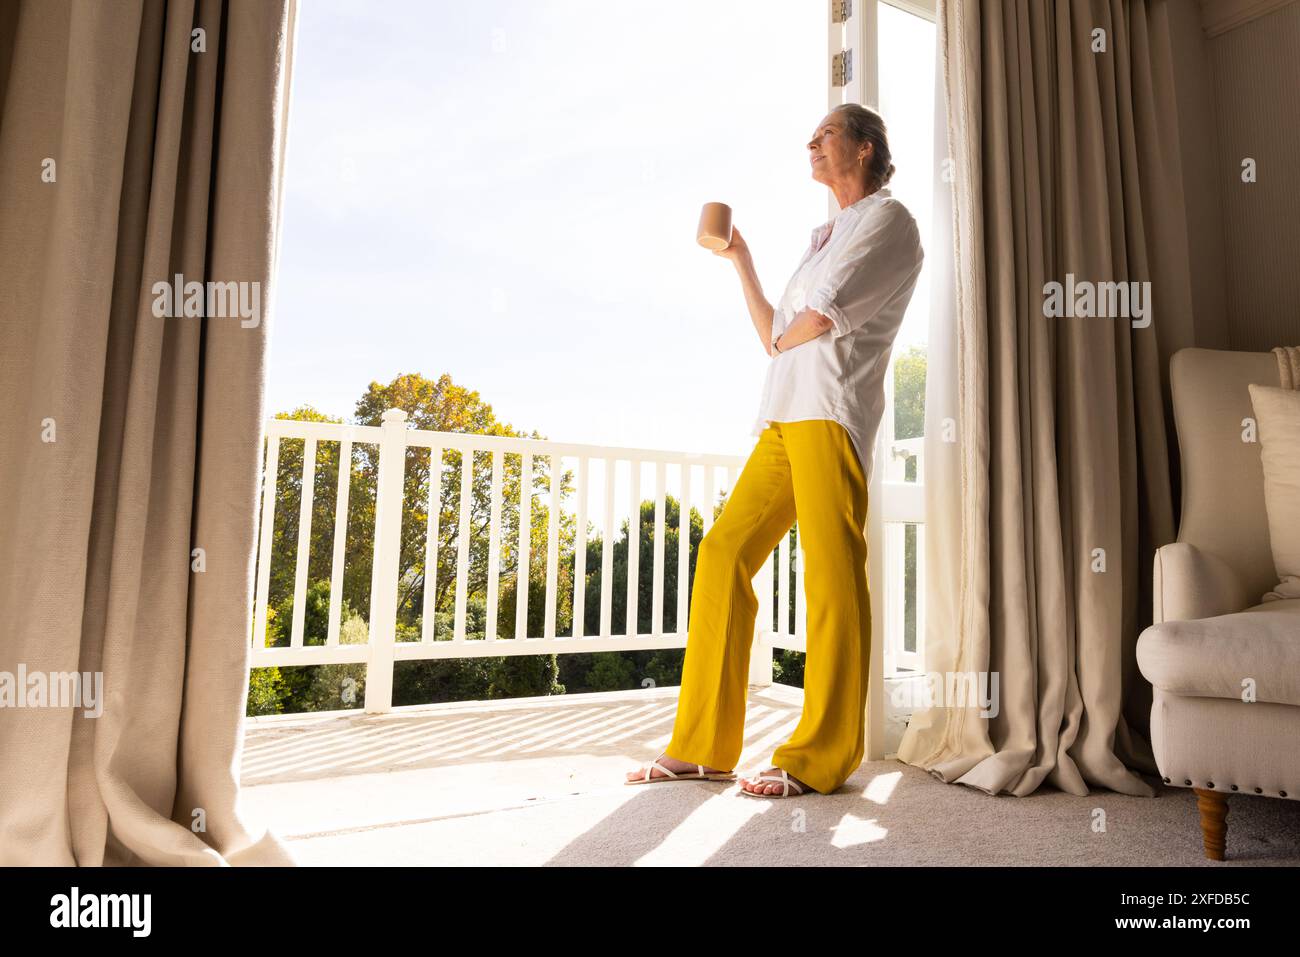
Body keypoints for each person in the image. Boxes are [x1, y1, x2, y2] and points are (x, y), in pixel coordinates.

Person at [626, 103, 924, 797]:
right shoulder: (822, 235)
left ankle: (820, 755)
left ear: (865, 146)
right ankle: (703, 745)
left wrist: (793, 328)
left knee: (831, 573)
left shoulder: (891, 221)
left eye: (826, 133)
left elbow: (822, 319)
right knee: (724, 551)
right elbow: (776, 335)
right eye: (812, 136)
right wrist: (743, 260)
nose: (811, 142)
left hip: (832, 412)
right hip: (784, 416)